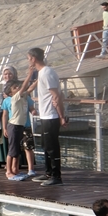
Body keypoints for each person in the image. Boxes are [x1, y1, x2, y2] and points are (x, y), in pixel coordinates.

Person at [29, 47, 66, 186]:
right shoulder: (41, 73)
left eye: (29, 59)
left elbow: (56, 95)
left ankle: (57, 176)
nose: (28, 61)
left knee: (52, 147)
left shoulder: (47, 72)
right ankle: (48, 172)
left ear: (33, 58)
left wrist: (61, 116)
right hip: (45, 115)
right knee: (45, 145)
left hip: (51, 115)